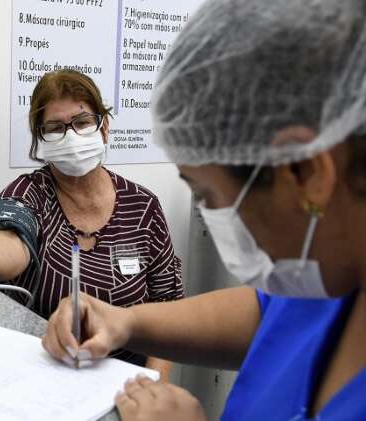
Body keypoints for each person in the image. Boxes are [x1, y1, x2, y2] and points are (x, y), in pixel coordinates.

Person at [41, 0, 366, 419]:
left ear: (305, 173)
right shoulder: (327, 267)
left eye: (210, 196)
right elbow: (270, 312)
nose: (213, 215)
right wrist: (128, 322)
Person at [0, 69, 184, 379]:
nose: (72, 136)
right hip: (43, 383)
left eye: (81, 123)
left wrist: (154, 387)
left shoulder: (143, 207)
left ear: (103, 128)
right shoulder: (29, 194)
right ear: (41, 140)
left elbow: (168, 310)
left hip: (128, 387)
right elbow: (10, 239)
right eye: (55, 128)